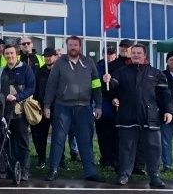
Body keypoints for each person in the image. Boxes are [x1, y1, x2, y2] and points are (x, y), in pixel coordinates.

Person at [103, 44, 173, 188]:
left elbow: (165, 95)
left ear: (144, 55)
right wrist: (107, 81)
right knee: (126, 148)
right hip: (127, 116)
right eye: (133, 53)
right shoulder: (121, 72)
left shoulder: (156, 73)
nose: (135, 55)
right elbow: (112, 89)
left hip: (151, 117)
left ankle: (155, 176)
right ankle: (124, 175)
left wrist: (168, 110)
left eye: (138, 53)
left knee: (154, 148)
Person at [43, 36, 102, 182]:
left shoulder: (89, 63)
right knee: (58, 139)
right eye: (70, 45)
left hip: (84, 108)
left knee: (85, 140)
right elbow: (51, 85)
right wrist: (47, 105)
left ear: (80, 46)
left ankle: (90, 172)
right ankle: (54, 169)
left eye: (75, 45)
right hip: (63, 107)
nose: (73, 47)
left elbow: (96, 85)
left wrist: (99, 105)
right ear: (67, 46)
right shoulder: (59, 64)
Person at [0, 45, 36, 180]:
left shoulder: (26, 69)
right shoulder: (0, 71)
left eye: (12, 53)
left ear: (16, 54)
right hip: (4, 113)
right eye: (7, 54)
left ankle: (24, 170)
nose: (9, 56)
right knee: (6, 142)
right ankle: (9, 169)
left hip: (20, 111)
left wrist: (17, 97)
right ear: (4, 55)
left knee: (22, 142)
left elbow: (31, 88)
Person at [96, 46, 123, 169]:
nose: (109, 56)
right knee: (102, 135)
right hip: (102, 105)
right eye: (106, 53)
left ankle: (116, 159)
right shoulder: (98, 67)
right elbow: (95, 86)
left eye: (111, 53)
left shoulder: (120, 66)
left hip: (117, 107)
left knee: (116, 136)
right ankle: (105, 159)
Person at [31, 47, 58, 170]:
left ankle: (59, 160)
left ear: (55, 56)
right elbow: (35, 90)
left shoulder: (60, 71)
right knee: (41, 135)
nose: (48, 58)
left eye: (50, 55)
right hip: (42, 108)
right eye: (46, 56)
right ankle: (41, 159)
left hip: (57, 108)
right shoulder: (39, 71)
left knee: (58, 135)